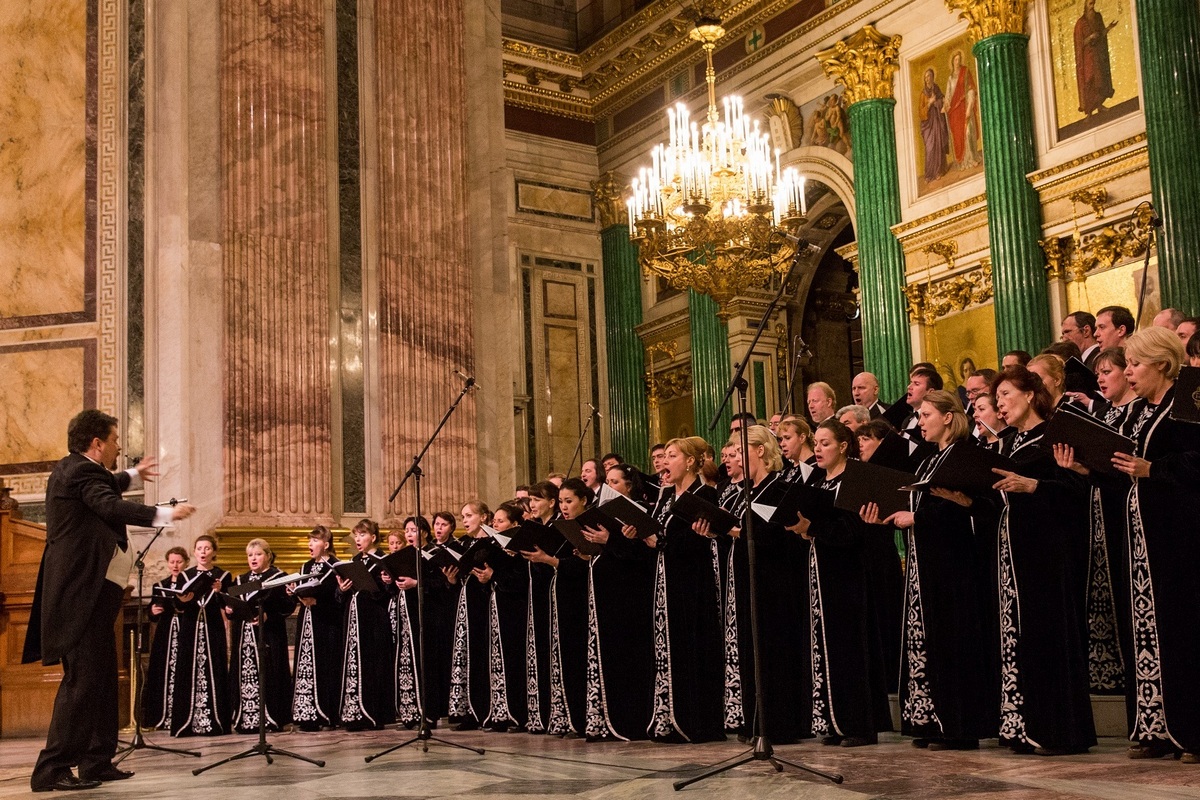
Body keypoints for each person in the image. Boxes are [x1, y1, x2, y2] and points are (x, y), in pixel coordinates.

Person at [23, 410, 196, 791]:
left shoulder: (81, 471)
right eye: (115, 440)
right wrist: (162, 513)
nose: (120, 446)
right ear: (97, 443)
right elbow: (108, 504)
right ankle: (51, 769)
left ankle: (96, 762)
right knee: (82, 681)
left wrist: (132, 476)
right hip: (79, 597)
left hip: (96, 594)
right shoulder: (78, 472)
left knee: (101, 678)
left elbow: (105, 485)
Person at [863, 390, 994, 751]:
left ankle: (959, 726)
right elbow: (910, 508)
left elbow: (963, 508)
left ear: (949, 417)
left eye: (925, 415)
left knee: (953, 638)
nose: (920, 422)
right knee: (926, 640)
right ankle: (930, 722)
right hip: (925, 561)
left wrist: (916, 517)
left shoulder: (965, 454)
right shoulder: (926, 462)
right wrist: (884, 518)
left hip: (953, 562)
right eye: (918, 416)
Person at [989, 366, 1094, 755]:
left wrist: (1034, 485)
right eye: (996, 398)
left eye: (1005, 395)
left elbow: (1077, 489)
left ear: (1031, 395)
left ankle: (1055, 729)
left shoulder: (1054, 436)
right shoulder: (1007, 443)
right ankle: (1022, 725)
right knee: (1018, 635)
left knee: (1047, 635)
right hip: (1013, 551)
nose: (999, 404)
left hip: (1047, 553)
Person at [1109, 329, 1200, 762]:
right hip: (1144, 540)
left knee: (1184, 631)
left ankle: (1193, 732)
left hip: (1182, 537)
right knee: (1150, 631)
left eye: (1134, 364)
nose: (1127, 372)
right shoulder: (1139, 412)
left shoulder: (1187, 404)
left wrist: (1154, 468)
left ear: (1162, 364)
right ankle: (1157, 728)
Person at [788, 420, 890, 747]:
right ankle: (832, 720)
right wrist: (804, 528)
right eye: (815, 443)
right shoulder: (817, 480)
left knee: (849, 650)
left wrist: (812, 527)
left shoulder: (856, 477)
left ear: (843, 446)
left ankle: (859, 725)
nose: (817, 449)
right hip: (820, 572)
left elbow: (853, 531)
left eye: (825, 443)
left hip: (849, 576)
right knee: (824, 649)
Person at [640, 437, 725, 742]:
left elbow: (697, 539)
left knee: (690, 644)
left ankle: (693, 721)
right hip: (664, 580)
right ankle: (666, 718)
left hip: (691, 581)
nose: (664, 462)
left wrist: (659, 542)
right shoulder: (665, 496)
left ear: (689, 461)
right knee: (666, 646)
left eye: (672, 456)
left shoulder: (704, 494)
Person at [227, 538, 296, 733]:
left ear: (268, 556)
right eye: (250, 555)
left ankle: (272, 717)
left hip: (269, 635)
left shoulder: (278, 577)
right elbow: (234, 603)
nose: (253, 559)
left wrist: (268, 615)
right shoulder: (240, 580)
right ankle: (246, 717)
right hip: (245, 637)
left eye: (258, 554)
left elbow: (287, 606)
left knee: (270, 672)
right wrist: (231, 609)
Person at [171, 534, 233, 737]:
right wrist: (183, 598)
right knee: (188, 669)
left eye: (207, 548)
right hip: (190, 628)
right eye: (199, 548)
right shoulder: (185, 576)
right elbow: (178, 605)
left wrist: (220, 591)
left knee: (215, 668)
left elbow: (228, 605)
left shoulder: (223, 576)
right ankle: (187, 723)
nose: (203, 552)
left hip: (213, 628)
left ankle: (216, 721)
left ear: (214, 552)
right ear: (195, 552)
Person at [336, 518, 395, 730]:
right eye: (356, 536)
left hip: (373, 620)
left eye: (362, 535)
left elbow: (388, 593)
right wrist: (342, 589)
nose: (358, 539)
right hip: (354, 620)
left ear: (373, 537)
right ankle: (354, 713)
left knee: (373, 664)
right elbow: (343, 595)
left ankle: (373, 714)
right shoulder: (354, 561)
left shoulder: (382, 559)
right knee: (355, 664)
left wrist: (379, 585)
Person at [447, 501, 496, 731]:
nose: (465, 520)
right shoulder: (462, 543)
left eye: (469, 515)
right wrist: (452, 579)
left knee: (481, 653)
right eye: (462, 516)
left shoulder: (492, 541)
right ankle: (466, 711)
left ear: (484, 517)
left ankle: (484, 709)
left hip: (483, 601)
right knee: (465, 654)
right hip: (465, 602)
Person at [480, 503, 529, 732]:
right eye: (494, 521)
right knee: (498, 660)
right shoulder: (496, 547)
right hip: (498, 607)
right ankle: (499, 713)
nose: (495, 525)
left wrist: (496, 573)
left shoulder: (519, 549)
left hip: (515, 611)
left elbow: (519, 583)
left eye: (500, 521)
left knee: (513, 661)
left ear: (514, 525)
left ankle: (516, 714)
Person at [290, 525, 342, 731]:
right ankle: (307, 714)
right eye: (309, 540)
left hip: (327, 622)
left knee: (326, 665)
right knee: (306, 666)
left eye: (314, 541)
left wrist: (317, 601)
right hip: (307, 621)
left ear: (326, 544)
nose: (310, 544)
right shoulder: (305, 566)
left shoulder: (336, 566)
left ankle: (328, 714)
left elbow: (338, 598)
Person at [143, 547, 190, 732]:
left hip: (185, 629)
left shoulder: (190, 583)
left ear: (186, 562)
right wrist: (152, 612)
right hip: (166, 633)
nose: (175, 565)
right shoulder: (160, 584)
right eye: (172, 562)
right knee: (163, 670)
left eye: (179, 561)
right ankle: (162, 715)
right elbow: (153, 612)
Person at [1074, 0, 1117, 116]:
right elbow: (1079, 44)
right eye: (1090, 4)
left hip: (1098, 54)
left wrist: (1108, 28)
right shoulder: (1080, 23)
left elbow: (1101, 33)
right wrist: (1090, 38)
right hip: (1087, 58)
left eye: (1093, 3)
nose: (1092, 6)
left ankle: (1099, 105)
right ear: (1085, 5)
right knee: (1089, 81)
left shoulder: (1098, 17)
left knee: (1100, 80)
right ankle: (1089, 111)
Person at [945, 50, 981, 169]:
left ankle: (971, 158)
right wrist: (946, 104)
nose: (957, 61)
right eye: (955, 59)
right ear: (952, 61)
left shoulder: (965, 72)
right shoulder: (950, 78)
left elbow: (971, 89)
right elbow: (948, 95)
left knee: (968, 132)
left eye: (959, 59)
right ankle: (963, 161)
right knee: (958, 136)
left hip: (965, 106)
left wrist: (970, 106)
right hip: (955, 111)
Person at [919, 67, 949, 183]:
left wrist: (939, 101)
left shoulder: (936, 88)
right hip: (928, 124)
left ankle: (939, 171)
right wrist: (929, 104)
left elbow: (942, 99)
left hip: (937, 121)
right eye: (925, 77)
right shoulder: (923, 94)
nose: (927, 79)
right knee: (930, 148)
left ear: (932, 77)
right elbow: (920, 112)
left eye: (929, 76)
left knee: (938, 144)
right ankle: (929, 174)